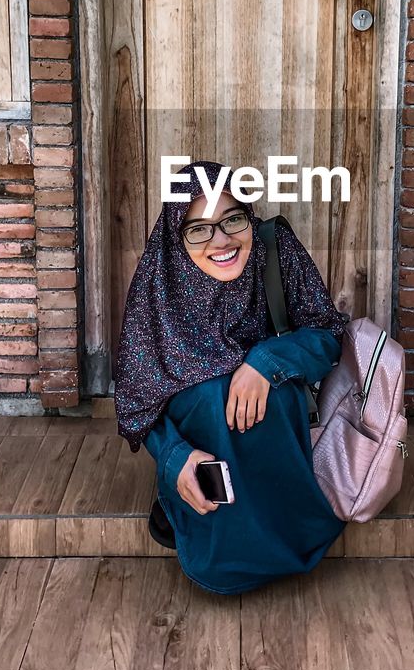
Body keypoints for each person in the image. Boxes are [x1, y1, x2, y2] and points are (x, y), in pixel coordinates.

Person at [113, 159, 348, 595]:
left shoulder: (274, 252)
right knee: (209, 398)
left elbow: (328, 335)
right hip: (204, 448)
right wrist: (173, 457)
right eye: (199, 228)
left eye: (232, 220)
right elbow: (136, 399)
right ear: (177, 236)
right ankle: (210, 535)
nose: (221, 241)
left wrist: (266, 360)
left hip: (274, 447)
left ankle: (284, 530)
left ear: (248, 216)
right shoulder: (158, 282)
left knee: (269, 394)